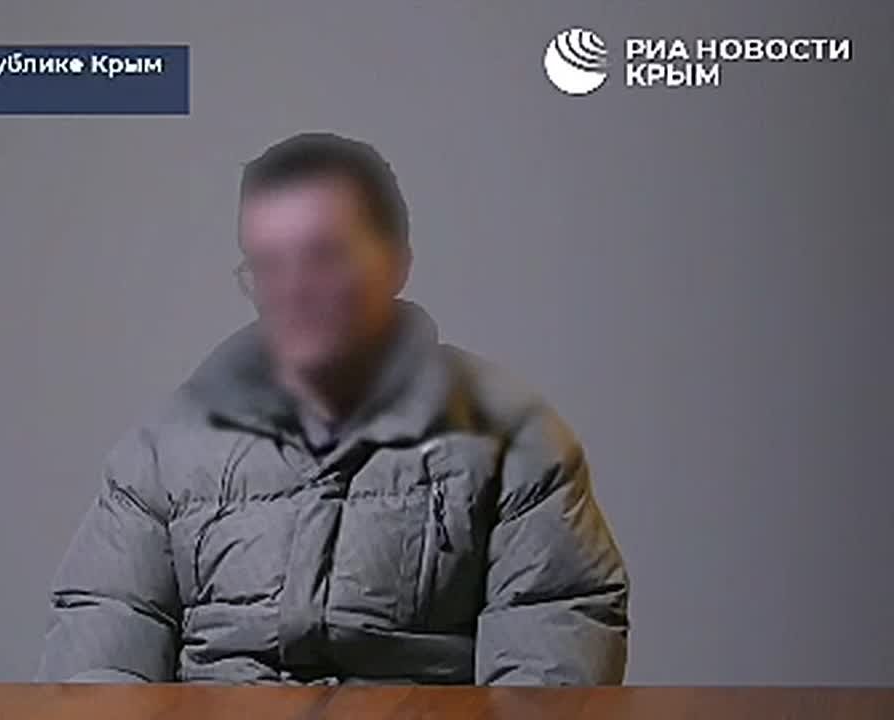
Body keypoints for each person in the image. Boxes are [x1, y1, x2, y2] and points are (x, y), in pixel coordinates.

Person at [37, 131, 629, 685]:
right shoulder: (165, 446)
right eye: (267, 265)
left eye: (324, 257)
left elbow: (550, 646)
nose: (291, 290)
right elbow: (103, 647)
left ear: (397, 263)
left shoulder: (509, 435)